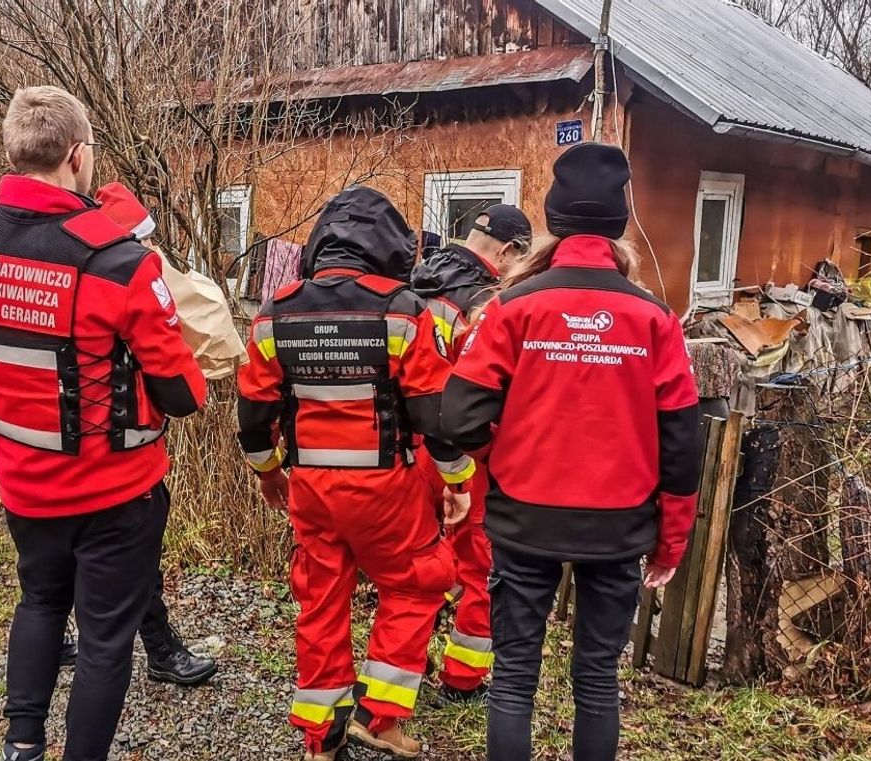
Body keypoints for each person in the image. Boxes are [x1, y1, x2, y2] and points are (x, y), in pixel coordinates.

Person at [0, 86, 206, 761]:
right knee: (107, 638)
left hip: (22, 479)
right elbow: (181, 394)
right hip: (116, 492)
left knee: (41, 603)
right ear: (78, 155)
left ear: (14, 151)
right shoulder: (120, 263)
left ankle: (22, 744)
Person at [441, 143, 701, 761]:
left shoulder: (511, 307)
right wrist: (671, 540)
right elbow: (683, 439)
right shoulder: (655, 317)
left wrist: (516, 437)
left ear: (553, 220)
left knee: (512, 683)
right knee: (596, 681)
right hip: (619, 529)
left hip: (524, 520)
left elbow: (458, 417)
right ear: (618, 225)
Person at [237, 185, 476, 761]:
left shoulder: (274, 311)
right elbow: (432, 414)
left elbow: (254, 412)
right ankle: (381, 717)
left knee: (320, 599)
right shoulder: (403, 311)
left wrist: (269, 471)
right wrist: (457, 481)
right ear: (390, 247)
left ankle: (320, 740)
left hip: (311, 490)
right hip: (386, 488)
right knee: (417, 583)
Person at [51, 182, 218, 688]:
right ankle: (157, 649)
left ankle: (66, 633)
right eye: (143, 241)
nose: (152, 251)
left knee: (68, 550)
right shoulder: (119, 277)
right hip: (112, 451)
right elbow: (181, 388)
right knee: (129, 553)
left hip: (65, 443)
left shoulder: (78, 269)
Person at [411, 203, 533, 705]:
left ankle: (405, 664)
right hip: (469, 453)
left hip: (412, 447)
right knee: (479, 565)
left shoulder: (413, 283)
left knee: (416, 563)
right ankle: (462, 680)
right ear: (506, 252)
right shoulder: (492, 303)